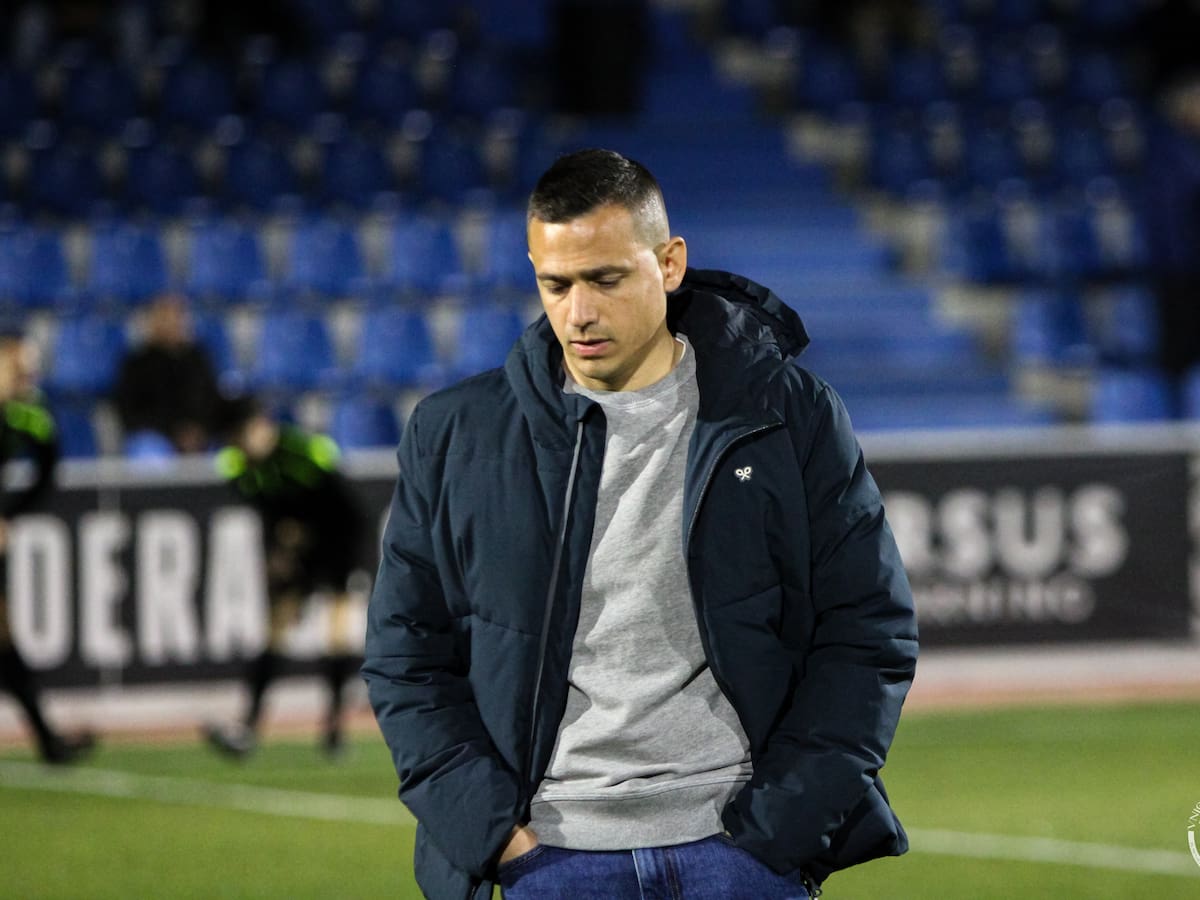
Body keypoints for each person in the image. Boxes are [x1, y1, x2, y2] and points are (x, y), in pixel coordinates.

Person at [363, 149, 918, 900]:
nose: (579, 312)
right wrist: (500, 839)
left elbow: (868, 629)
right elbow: (404, 656)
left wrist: (783, 826)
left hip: (741, 854)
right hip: (552, 862)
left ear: (670, 264)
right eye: (556, 284)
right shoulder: (455, 434)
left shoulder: (787, 412)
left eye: (606, 279)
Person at [204, 396, 367, 759]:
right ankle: (249, 726)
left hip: (339, 540)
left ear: (261, 425)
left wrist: (299, 543)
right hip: (298, 547)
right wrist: (279, 552)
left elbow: (342, 507)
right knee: (275, 628)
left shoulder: (305, 451)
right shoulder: (239, 465)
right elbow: (267, 512)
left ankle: (335, 730)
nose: (239, 443)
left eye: (242, 434)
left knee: (337, 633)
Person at [0, 329, 96, 764]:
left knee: (4, 640)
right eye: (15, 362)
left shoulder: (24, 412)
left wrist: (10, 514)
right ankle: (47, 740)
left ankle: (47, 739)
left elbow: (47, 467)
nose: (25, 372)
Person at [113, 292, 224, 455]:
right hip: (155, 437)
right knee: (147, 452)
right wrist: (174, 432)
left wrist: (199, 430)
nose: (172, 323)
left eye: (177, 316)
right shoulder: (136, 363)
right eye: (165, 317)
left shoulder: (198, 359)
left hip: (201, 437)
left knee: (228, 454)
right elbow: (130, 413)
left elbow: (212, 401)